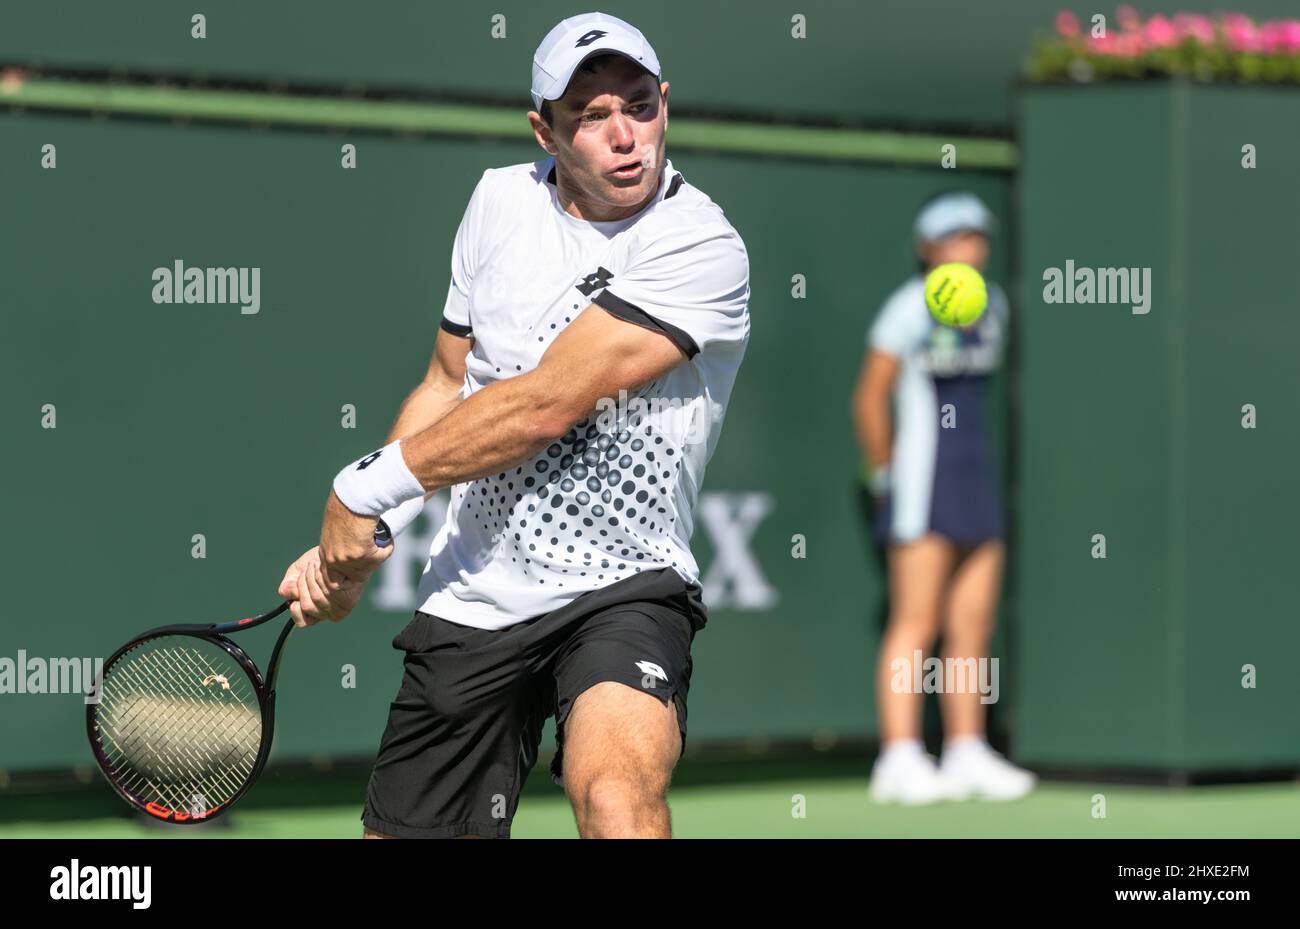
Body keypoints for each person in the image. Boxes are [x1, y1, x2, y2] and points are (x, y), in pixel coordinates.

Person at [275, 11, 749, 838]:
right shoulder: (498, 200)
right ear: (545, 129)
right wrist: (367, 536)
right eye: (591, 117)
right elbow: (446, 384)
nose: (625, 135)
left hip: (625, 583)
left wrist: (361, 489)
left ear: (666, 104)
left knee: (616, 798)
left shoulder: (702, 244)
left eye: (639, 106)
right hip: (475, 591)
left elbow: (546, 403)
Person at [851, 192, 1034, 804]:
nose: (968, 247)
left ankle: (965, 750)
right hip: (920, 487)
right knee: (917, 622)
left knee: (972, 624)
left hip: (975, 479)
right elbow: (870, 398)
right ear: (929, 249)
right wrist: (886, 475)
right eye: (954, 237)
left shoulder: (994, 306)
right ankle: (899, 757)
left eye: (976, 235)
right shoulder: (907, 308)